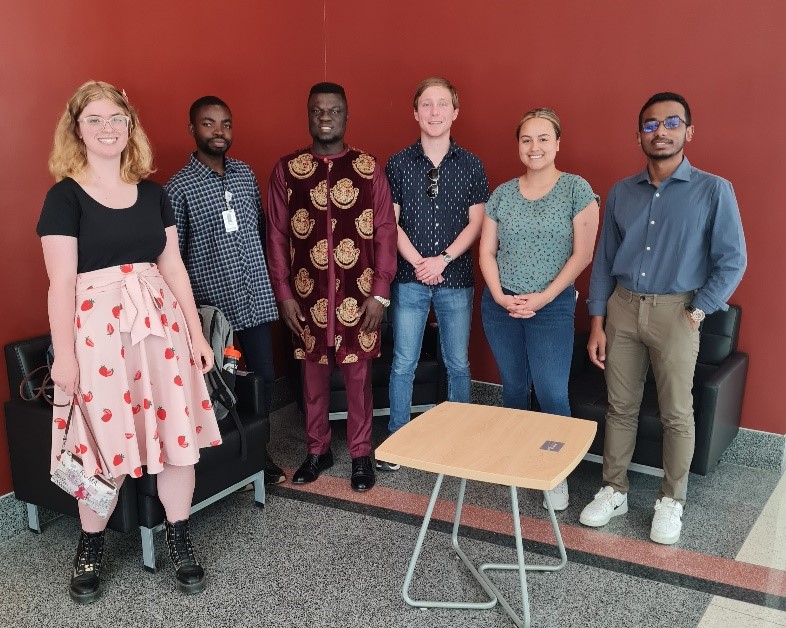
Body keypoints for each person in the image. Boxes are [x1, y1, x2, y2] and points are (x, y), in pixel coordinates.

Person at [38, 81, 222, 603]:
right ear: (77, 129)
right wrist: (65, 357)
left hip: (160, 331)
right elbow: (61, 284)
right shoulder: (64, 197)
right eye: (94, 119)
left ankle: (179, 538)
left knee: (177, 439)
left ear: (130, 126)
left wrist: (195, 333)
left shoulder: (153, 193)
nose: (107, 128)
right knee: (101, 443)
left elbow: (173, 266)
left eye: (116, 118)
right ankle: (90, 545)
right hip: (98, 340)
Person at [579, 92, 747, 544]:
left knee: (676, 412)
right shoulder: (622, 192)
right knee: (620, 407)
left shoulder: (713, 190)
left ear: (688, 132)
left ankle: (671, 501)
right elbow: (604, 261)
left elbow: (733, 260)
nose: (661, 131)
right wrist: (597, 322)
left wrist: (699, 308)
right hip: (623, 307)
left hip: (678, 313)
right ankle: (613, 490)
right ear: (638, 135)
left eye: (672, 123)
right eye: (651, 125)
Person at [266, 82, 397, 492]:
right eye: (318, 110)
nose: (325, 117)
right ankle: (317, 449)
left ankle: (360, 454)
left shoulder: (368, 167)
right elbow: (276, 236)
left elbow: (385, 231)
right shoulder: (287, 170)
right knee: (312, 380)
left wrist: (380, 292)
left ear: (346, 116)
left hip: (359, 298)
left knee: (359, 382)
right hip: (308, 298)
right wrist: (284, 294)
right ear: (308, 115)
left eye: (334, 110)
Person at [479, 108, 600, 511]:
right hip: (502, 306)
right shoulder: (502, 194)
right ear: (518, 145)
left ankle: (555, 473)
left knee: (551, 392)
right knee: (514, 388)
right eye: (527, 139)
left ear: (558, 143)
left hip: (551, 308)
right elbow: (487, 251)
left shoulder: (576, 190)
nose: (535, 147)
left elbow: (582, 255)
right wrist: (499, 296)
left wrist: (544, 297)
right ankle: (517, 462)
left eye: (544, 138)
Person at [165, 95, 285, 485]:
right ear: (192, 129)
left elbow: (261, 230)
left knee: (263, 377)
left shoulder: (245, 174)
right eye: (209, 123)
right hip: (212, 311)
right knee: (219, 387)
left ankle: (260, 454)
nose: (219, 131)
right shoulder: (177, 189)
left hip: (254, 299)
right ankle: (222, 460)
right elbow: (172, 258)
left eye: (226, 124)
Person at [379, 77, 488, 471]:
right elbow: (390, 223)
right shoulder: (397, 163)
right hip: (409, 280)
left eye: (443, 104)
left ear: (455, 112)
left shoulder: (472, 164)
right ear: (415, 112)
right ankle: (398, 438)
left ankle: (459, 439)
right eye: (427, 104)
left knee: (457, 363)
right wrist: (420, 264)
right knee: (403, 362)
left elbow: (477, 222)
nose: (435, 111)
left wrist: (442, 260)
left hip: (455, 279)